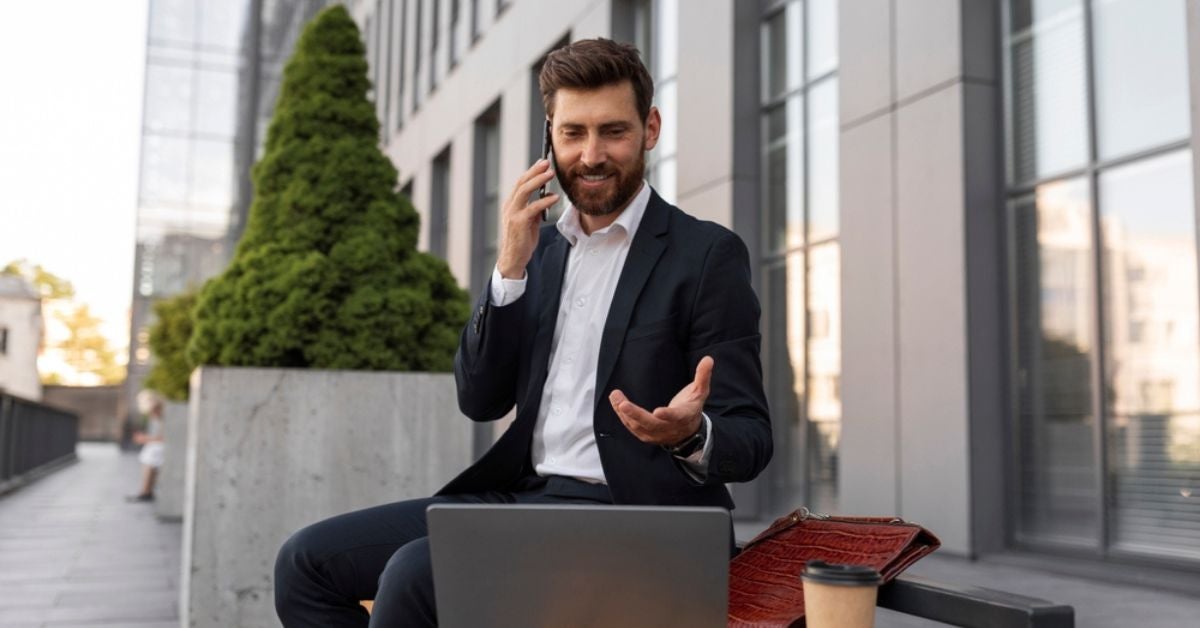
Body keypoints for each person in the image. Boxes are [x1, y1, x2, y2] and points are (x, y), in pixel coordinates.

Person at [274, 38, 772, 627]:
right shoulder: (537, 249)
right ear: (550, 136)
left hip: (637, 514)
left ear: (651, 128)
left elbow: (751, 437)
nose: (591, 155)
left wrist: (690, 435)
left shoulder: (706, 254)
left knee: (414, 573)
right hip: (525, 496)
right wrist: (507, 270)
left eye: (613, 131)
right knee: (304, 564)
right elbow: (480, 400)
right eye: (573, 133)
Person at [126, 390, 165, 502]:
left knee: (151, 453)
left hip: (164, 446)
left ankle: (146, 491)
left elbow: (167, 437)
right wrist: (146, 438)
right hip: (159, 445)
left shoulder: (164, 416)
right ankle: (146, 490)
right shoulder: (155, 417)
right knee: (149, 453)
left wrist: (146, 439)